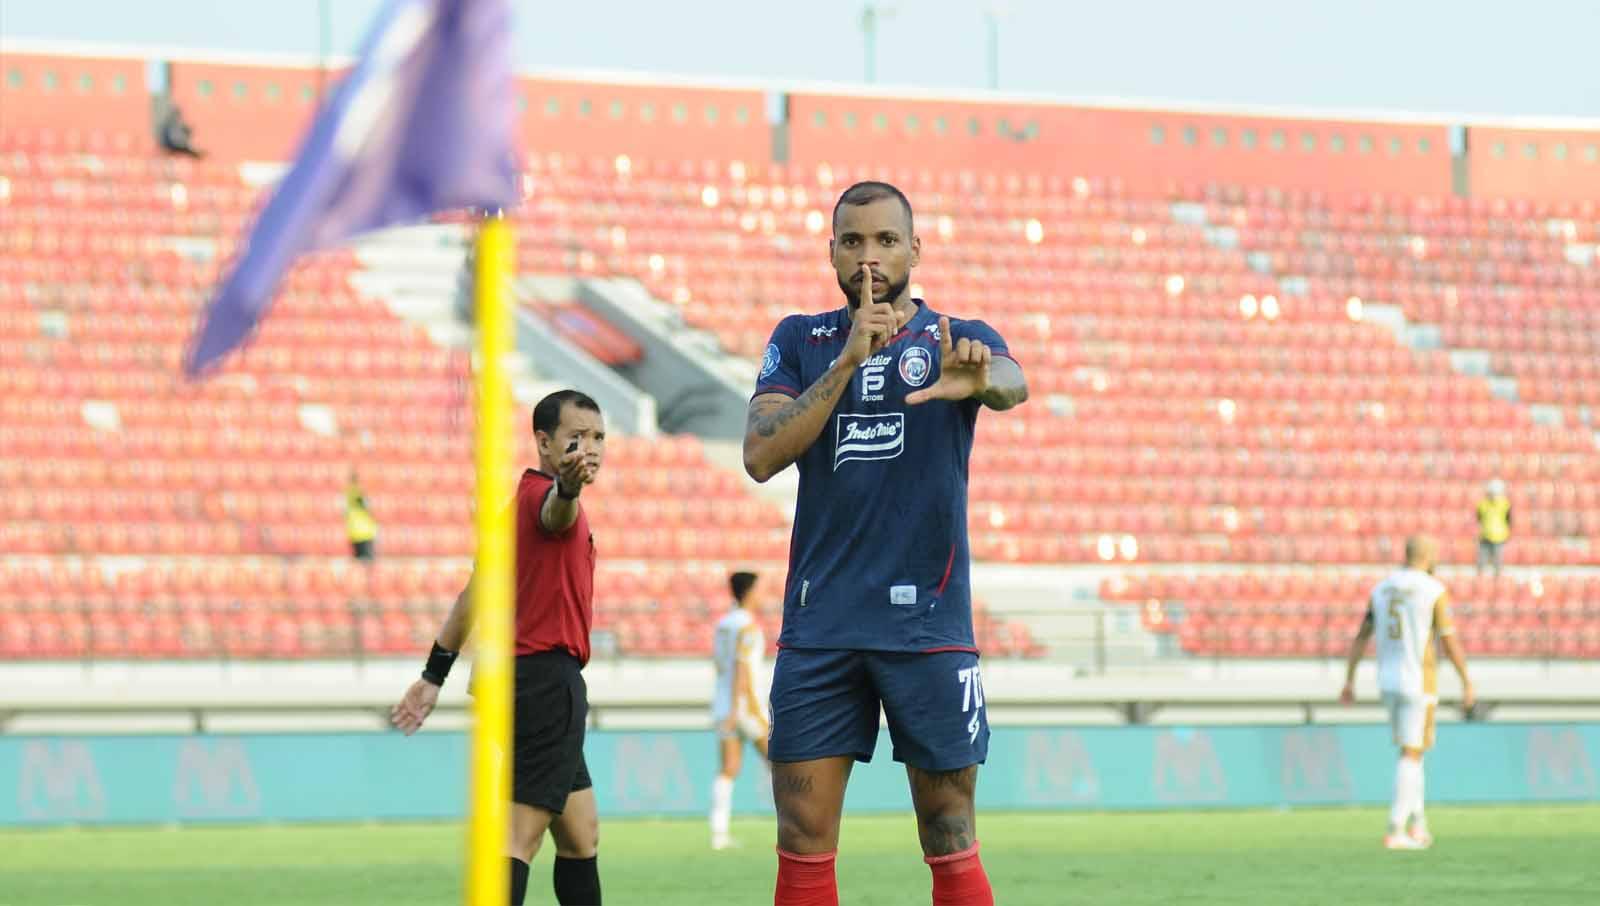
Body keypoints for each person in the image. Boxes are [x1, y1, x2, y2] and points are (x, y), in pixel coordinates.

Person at [743, 181, 1028, 906]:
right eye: (853, 240)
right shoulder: (799, 340)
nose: (870, 256)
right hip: (821, 627)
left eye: (886, 240)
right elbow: (761, 454)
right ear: (832, 251)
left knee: (949, 826)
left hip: (927, 629)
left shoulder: (953, 337)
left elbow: (1012, 381)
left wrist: (983, 381)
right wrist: (846, 362)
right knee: (802, 836)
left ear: (915, 250)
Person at [390, 389, 607, 906]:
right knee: (517, 836)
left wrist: (431, 677)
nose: (591, 448)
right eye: (576, 437)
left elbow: (472, 597)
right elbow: (557, 513)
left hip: (517, 682)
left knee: (581, 834)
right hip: (545, 684)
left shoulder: (513, 506)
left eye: (599, 437)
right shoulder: (544, 500)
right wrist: (568, 492)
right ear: (544, 442)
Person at [1340, 535, 1475, 850]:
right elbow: (1448, 639)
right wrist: (1466, 679)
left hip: (1387, 678)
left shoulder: (1382, 588)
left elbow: (1361, 636)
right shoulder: (1432, 589)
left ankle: (1418, 823)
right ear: (1429, 556)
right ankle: (1396, 828)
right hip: (1418, 679)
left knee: (1413, 750)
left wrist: (1349, 679)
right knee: (1412, 752)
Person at [709, 570, 771, 851]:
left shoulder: (723, 624)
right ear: (748, 592)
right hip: (744, 707)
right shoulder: (748, 627)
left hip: (723, 704)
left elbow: (721, 664)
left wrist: (728, 707)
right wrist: (744, 708)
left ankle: (718, 833)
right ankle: (794, 827)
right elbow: (742, 668)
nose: (762, 596)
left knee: (728, 769)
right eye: (759, 590)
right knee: (782, 764)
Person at [1475, 479, 1512, 577]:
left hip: (1499, 537)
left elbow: (1508, 520)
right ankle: (1480, 578)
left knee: (1498, 561)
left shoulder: (1505, 504)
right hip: (1485, 536)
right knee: (1481, 561)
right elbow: (1479, 518)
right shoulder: (1482, 504)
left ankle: (1497, 578)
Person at [346, 469, 379, 561]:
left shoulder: (348, 493)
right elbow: (369, 508)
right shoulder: (359, 494)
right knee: (366, 562)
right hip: (365, 532)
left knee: (358, 561)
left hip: (354, 531)